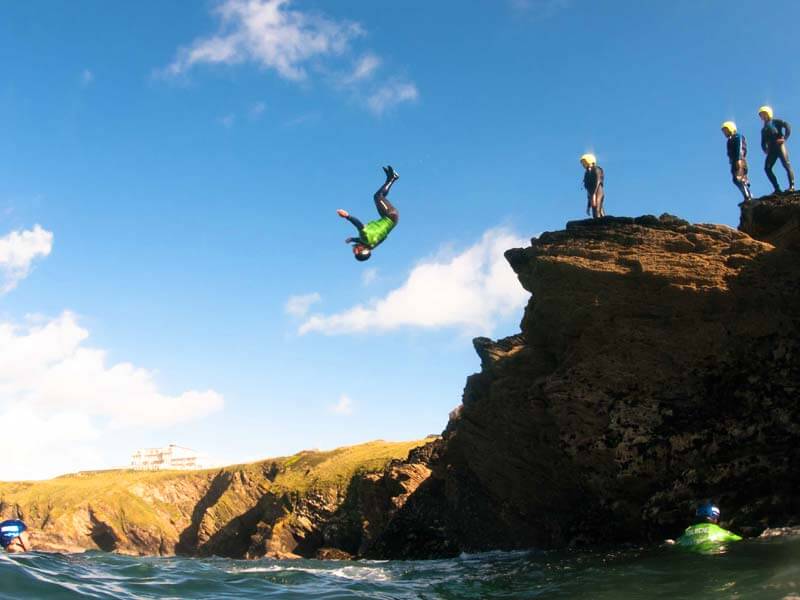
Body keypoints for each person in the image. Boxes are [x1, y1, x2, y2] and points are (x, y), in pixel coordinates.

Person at [338, 166, 400, 262]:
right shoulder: (365, 238)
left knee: (379, 197)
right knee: (378, 196)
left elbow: (381, 238)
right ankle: (392, 178)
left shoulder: (372, 245)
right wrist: (347, 216)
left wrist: (353, 239)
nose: (354, 250)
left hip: (390, 219)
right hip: (390, 215)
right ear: (363, 250)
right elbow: (359, 225)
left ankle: (390, 179)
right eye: (356, 251)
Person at [759, 105, 795, 194]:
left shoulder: (775, 122)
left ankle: (792, 186)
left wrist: (785, 138)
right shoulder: (763, 129)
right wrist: (765, 149)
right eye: (761, 115)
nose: (762, 116)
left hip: (780, 146)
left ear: (768, 114)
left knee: (786, 164)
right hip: (772, 149)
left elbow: (787, 126)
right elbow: (763, 141)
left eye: (763, 114)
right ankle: (777, 189)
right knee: (767, 168)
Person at [675, 503, 742, 550]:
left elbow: (676, 543)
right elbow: (739, 539)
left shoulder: (687, 532)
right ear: (714, 518)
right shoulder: (719, 531)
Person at [721, 121, 752, 201]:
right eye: (724, 131)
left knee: (738, 178)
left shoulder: (738, 137)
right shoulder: (729, 140)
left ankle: (748, 196)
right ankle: (747, 195)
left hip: (739, 160)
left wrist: (739, 159)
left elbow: (739, 147)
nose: (725, 133)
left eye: (726, 130)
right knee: (736, 179)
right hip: (734, 161)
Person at [580, 153, 605, 218]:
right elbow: (589, 190)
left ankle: (600, 223)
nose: (583, 164)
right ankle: (599, 222)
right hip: (592, 193)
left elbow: (598, 181)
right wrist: (588, 206)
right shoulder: (587, 174)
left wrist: (594, 194)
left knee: (597, 209)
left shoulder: (597, 169)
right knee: (595, 209)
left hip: (598, 192)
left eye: (584, 162)